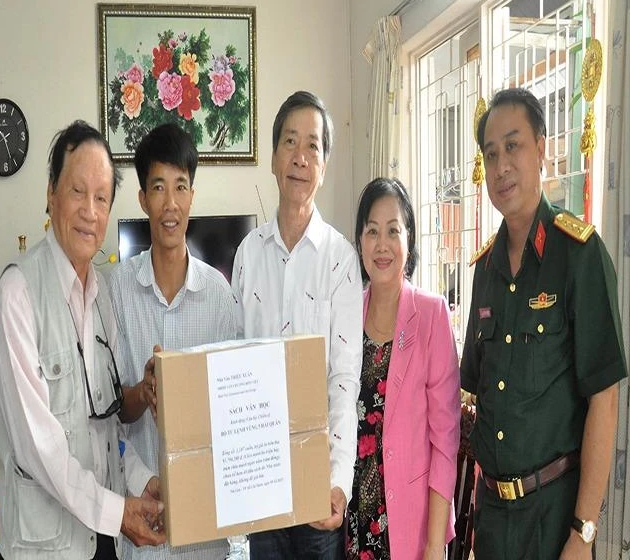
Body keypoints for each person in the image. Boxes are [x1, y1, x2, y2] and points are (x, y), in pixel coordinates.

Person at [461, 87, 627, 559]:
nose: (501, 166)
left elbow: (605, 399)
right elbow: (476, 393)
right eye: (491, 153)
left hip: (554, 518)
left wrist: (583, 531)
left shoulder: (579, 256)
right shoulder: (484, 270)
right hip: (492, 519)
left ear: (541, 149)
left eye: (513, 146)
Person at [0, 120, 166, 560]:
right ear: (51, 193)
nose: (90, 210)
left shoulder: (102, 297)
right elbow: (40, 448)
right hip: (46, 548)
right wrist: (119, 512)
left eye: (101, 198)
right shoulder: (18, 293)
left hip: (100, 540)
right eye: (77, 191)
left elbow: (106, 428)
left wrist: (143, 481)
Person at [231, 91, 363, 559]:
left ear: (323, 166)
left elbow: (344, 378)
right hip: (262, 478)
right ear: (272, 158)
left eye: (313, 146)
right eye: (290, 142)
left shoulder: (341, 259)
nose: (300, 157)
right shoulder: (247, 254)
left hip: (316, 483)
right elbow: (236, 368)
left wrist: (338, 482)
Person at [107, 122, 237, 560]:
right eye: (158, 187)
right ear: (143, 198)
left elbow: (231, 410)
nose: (170, 203)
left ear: (192, 196)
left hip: (204, 530)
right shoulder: (116, 291)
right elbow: (108, 412)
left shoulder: (218, 296)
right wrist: (144, 392)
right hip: (141, 521)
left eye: (180, 186)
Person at [346, 177, 460, 559]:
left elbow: (445, 441)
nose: (382, 244)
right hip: (353, 524)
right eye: (372, 231)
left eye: (393, 231)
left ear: (409, 239)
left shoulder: (431, 315)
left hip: (412, 528)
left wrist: (434, 545)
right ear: (359, 241)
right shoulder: (345, 315)